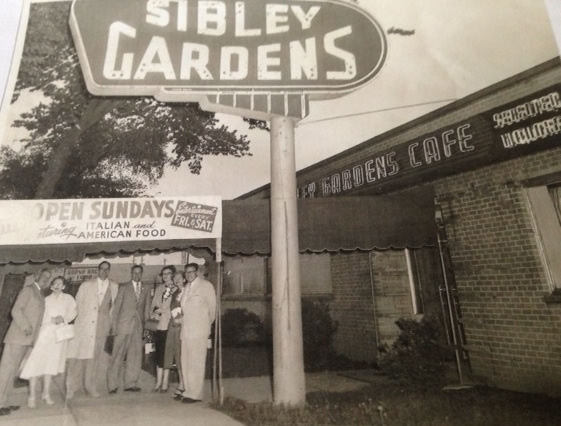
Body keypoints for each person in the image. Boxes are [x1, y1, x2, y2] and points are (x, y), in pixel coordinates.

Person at [0, 269, 51, 417]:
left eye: (48, 278)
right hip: (17, 337)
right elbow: (16, 311)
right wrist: (26, 327)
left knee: (12, 373)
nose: (46, 279)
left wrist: (34, 340)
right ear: (36, 276)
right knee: (5, 371)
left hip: (26, 340)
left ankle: (3, 402)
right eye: (44, 276)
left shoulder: (40, 294)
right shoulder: (28, 290)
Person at [20, 276, 77, 407]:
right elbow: (38, 317)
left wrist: (63, 318)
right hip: (44, 335)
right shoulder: (45, 300)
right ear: (51, 285)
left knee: (50, 366)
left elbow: (73, 312)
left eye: (60, 284)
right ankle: (32, 396)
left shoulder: (68, 299)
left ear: (63, 286)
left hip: (58, 337)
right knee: (35, 365)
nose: (57, 285)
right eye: (55, 283)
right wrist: (51, 320)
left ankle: (46, 394)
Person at [66, 261, 118, 398]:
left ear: (109, 271)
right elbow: (76, 306)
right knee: (77, 358)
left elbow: (114, 309)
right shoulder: (86, 285)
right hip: (84, 326)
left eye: (107, 270)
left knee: (94, 360)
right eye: (102, 269)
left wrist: (111, 326)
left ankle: (90, 387)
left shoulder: (114, 286)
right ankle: (71, 388)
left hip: (102, 328)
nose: (104, 272)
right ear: (98, 270)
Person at [107, 264, 151, 394]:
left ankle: (130, 383)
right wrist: (114, 327)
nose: (137, 275)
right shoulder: (124, 287)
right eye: (134, 273)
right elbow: (116, 309)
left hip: (138, 327)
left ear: (141, 274)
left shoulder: (146, 288)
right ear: (131, 273)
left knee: (135, 356)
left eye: (139, 273)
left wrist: (146, 327)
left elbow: (147, 309)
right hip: (123, 326)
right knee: (117, 355)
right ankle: (112, 385)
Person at [178, 263, 216, 404]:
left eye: (191, 272)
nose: (188, 275)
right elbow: (185, 309)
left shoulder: (206, 286)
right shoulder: (186, 288)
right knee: (186, 362)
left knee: (197, 362)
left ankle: (195, 394)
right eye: (186, 272)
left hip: (199, 331)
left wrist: (205, 326)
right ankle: (188, 391)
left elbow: (212, 311)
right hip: (186, 331)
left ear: (197, 272)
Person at [149, 265, 177, 392]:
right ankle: (158, 382)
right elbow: (153, 304)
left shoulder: (176, 289)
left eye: (168, 273)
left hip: (169, 325)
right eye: (163, 273)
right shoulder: (159, 288)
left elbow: (175, 307)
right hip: (158, 325)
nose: (165, 276)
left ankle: (165, 382)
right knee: (158, 353)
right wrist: (155, 312)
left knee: (167, 354)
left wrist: (163, 310)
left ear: (173, 274)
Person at [164, 271, 186, 399]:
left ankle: (183, 385)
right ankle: (182, 384)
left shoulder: (187, 292)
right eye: (175, 278)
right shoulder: (175, 293)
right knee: (176, 355)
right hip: (174, 326)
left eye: (179, 278)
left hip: (183, 327)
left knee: (182, 355)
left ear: (184, 279)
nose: (177, 280)